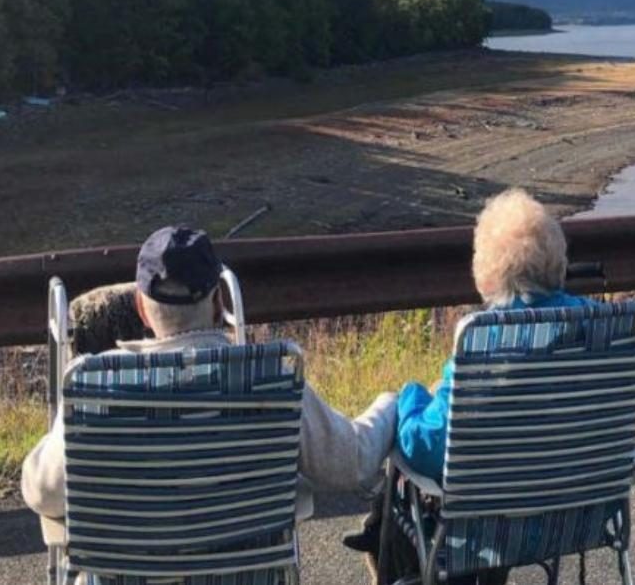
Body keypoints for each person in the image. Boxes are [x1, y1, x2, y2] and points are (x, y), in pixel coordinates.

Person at [22, 225, 398, 580]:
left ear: (140, 309)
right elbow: (351, 463)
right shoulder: (269, 378)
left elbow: (43, 493)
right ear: (219, 302)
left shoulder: (96, 388)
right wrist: (391, 404)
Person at [344, 188, 596, 583]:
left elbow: (425, 448)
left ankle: (389, 552)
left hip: (490, 526)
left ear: (488, 271)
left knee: (415, 475)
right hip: (579, 515)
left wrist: (409, 397)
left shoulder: (485, 341)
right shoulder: (601, 328)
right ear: (557, 260)